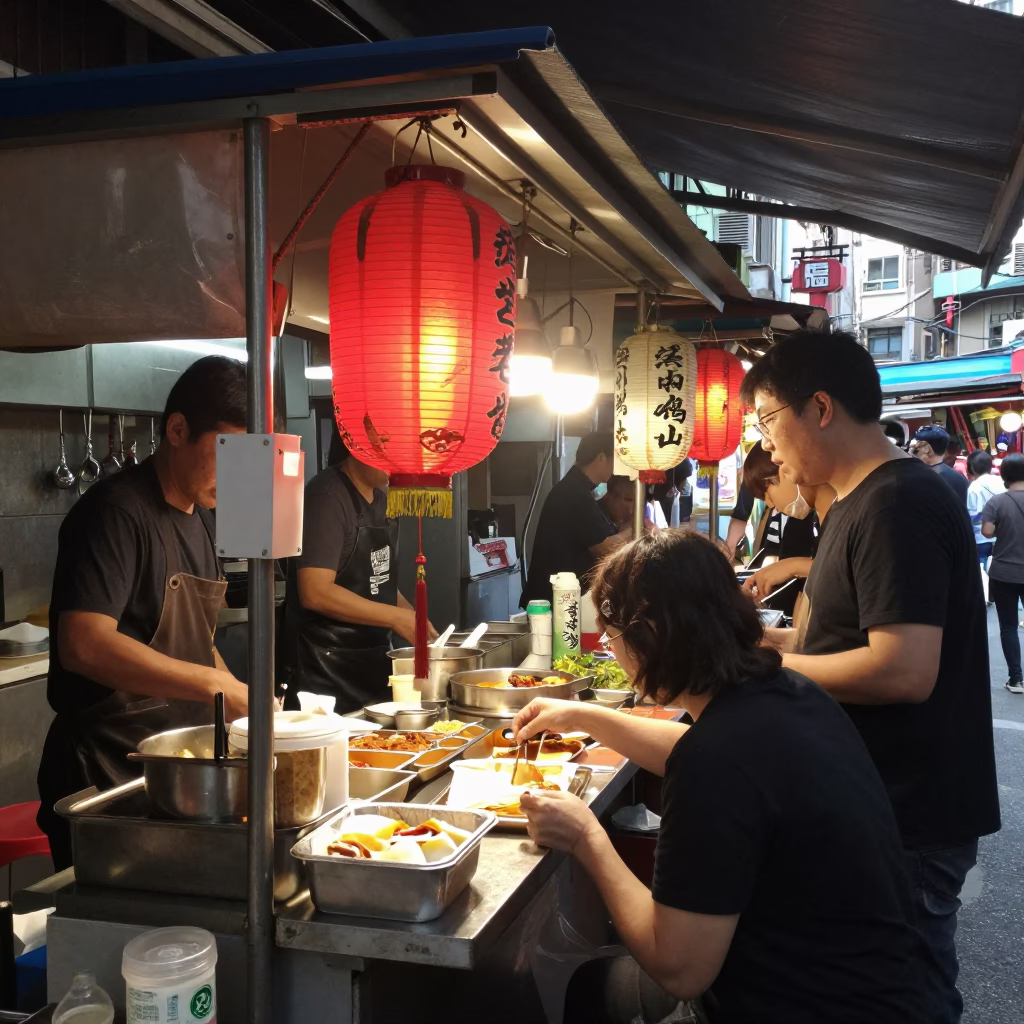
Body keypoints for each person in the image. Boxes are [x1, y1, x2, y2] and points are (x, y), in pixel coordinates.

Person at [515, 532, 926, 1024]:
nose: (614, 654)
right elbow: (704, 755)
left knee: (586, 992)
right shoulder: (788, 692)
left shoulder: (716, 761)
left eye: (612, 637)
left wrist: (585, 836)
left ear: (648, 635)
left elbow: (680, 969)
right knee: (592, 986)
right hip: (888, 986)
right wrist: (582, 716)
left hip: (806, 1002)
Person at [740, 329, 999, 1024]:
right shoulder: (859, 502)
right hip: (879, 801)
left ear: (818, 408)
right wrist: (772, 639)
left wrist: (766, 663)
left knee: (901, 994)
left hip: (908, 813)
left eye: (767, 420)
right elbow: (844, 636)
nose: (766, 445)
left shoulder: (895, 503)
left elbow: (904, 669)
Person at [37, 356, 251, 869]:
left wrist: (244, 701)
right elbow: (84, 643)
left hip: (168, 773)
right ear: (178, 429)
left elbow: (197, 642)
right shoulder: (116, 511)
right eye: (229, 453)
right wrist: (214, 686)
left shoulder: (200, 520)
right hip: (106, 775)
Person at [289, 432, 431, 713]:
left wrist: (416, 622)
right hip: (325, 674)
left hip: (372, 665)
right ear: (358, 444)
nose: (397, 463)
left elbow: (379, 583)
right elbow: (315, 591)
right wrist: (395, 617)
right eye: (389, 449)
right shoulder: (327, 497)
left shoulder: (381, 500)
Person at [521, 431, 629, 606]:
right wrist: (638, 528)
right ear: (601, 457)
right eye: (615, 457)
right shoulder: (573, 493)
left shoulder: (577, 489)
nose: (617, 465)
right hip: (552, 601)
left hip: (560, 597)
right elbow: (606, 547)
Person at [738, 443, 835, 617]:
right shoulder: (811, 519)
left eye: (766, 490)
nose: (769, 503)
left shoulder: (856, 514)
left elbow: (857, 575)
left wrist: (794, 567)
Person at [981, 453, 1024, 693]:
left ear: (1005, 476)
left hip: (1004, 572)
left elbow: (987, 532)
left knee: (1008, 627)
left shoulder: (997, 502)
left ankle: (1016, 679)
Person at [966, 449, 1003, 573]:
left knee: (983, 573)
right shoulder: (1001, 481)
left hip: (981, 538)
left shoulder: (974, 487)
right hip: (1002, 537)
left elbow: (971, 515)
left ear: (972, 468)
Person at [910, 425, 969, 503]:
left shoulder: (923, 480)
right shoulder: (959, 477)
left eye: (916, 448)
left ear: (927, 449)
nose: (913, 452)